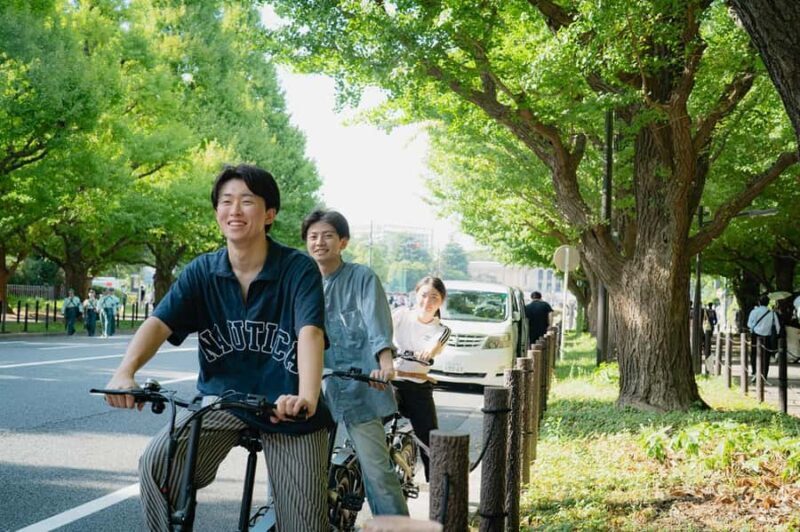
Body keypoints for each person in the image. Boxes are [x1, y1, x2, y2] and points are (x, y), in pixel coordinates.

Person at [102, 164, 332, 531]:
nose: (234, 210)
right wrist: (124, 372)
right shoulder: (201, 272)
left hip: (286, 408)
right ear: (217, 212)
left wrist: (306, 397)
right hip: (223, 401)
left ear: (269, 214)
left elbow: (310, 333)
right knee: (158, 464)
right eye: (226, 201)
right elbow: (159, 323)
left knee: (303, 523)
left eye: (247, 201)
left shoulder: (297, 269)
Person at [302, 208, 409, 517]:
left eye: (327, 236)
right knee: (301, 468)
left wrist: (385, 362)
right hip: (313, 389)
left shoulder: (362, 277)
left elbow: (376, 322)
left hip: (360, 386)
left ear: (343, 242)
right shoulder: (301, 281)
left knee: (377, 471)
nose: (319, 242)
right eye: (313, 236)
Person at [391, 276, 451, 481]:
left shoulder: (441, 330)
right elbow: (380, 330)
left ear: (441, 301)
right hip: (391, 380)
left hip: (417, 385)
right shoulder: (401, 315)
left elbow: (434, 346)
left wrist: (427, 353)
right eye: (424, 295)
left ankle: (437, 486)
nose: (427, 301)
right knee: (371, 424)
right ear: (415, 295)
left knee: (428, 438)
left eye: (434, 297)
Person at [747, 295, 781, 383]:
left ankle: (754, 372)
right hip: (767, 337)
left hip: (756, 336)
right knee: (766, 357)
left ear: (759, 302)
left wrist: (755, 328)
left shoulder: (754, 312)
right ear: (768, 303)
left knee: (754, 355)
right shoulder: (772, 313)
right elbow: (778, 327)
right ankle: (764, 375)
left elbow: (749, 324)